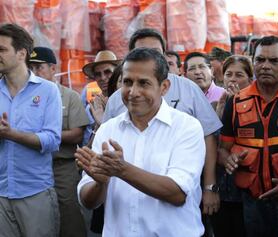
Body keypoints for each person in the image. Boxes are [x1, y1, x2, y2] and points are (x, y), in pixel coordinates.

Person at [102, 28, 222, 233]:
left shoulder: (188, 90)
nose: (135, 92)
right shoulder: (116, 100)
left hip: (174, 216)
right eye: (142, 52)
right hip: (127, 216)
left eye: (156, 52)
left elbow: (208, 137)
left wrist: (209, 187)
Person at [76, 47, 206, 236]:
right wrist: (100, 183)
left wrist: (121, 170)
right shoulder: (108, 129)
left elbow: (177, 194)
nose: (133, 92)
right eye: (127, 82)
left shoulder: (187, 127)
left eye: (144, 83)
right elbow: (88, 201)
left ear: (164, 87)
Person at [219, 36, 278, 237]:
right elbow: (222, 149)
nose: (265, 66)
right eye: (260, 60)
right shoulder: (236, 101)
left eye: (273, 61)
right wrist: (228, 159)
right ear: (253, 62)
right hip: (252, 199)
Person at [0, 23, 62, 236]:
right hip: (1, 193)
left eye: (2, 49)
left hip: (34, 193)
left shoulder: (48, 91)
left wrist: (11, 134)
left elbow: (52, 140)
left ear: (21, 53)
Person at [29, 47, 89, 237]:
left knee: (69, 215)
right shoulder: (25, 98)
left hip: (62, 166)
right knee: (35, 216)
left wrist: (45, 135)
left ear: (53, 69)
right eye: (31, 68)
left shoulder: (69, 96)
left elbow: (78, 134)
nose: (34, 73)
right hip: (33, 165)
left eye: (40, 68)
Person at [212, 55, 254, 237]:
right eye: (228, 74)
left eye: (239, 75)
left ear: (250, 79)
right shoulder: (215, 104)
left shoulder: (256, 105)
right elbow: (212, 142)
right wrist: (221, 111)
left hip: (245, 187)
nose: (233, 79)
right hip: (221, 186)